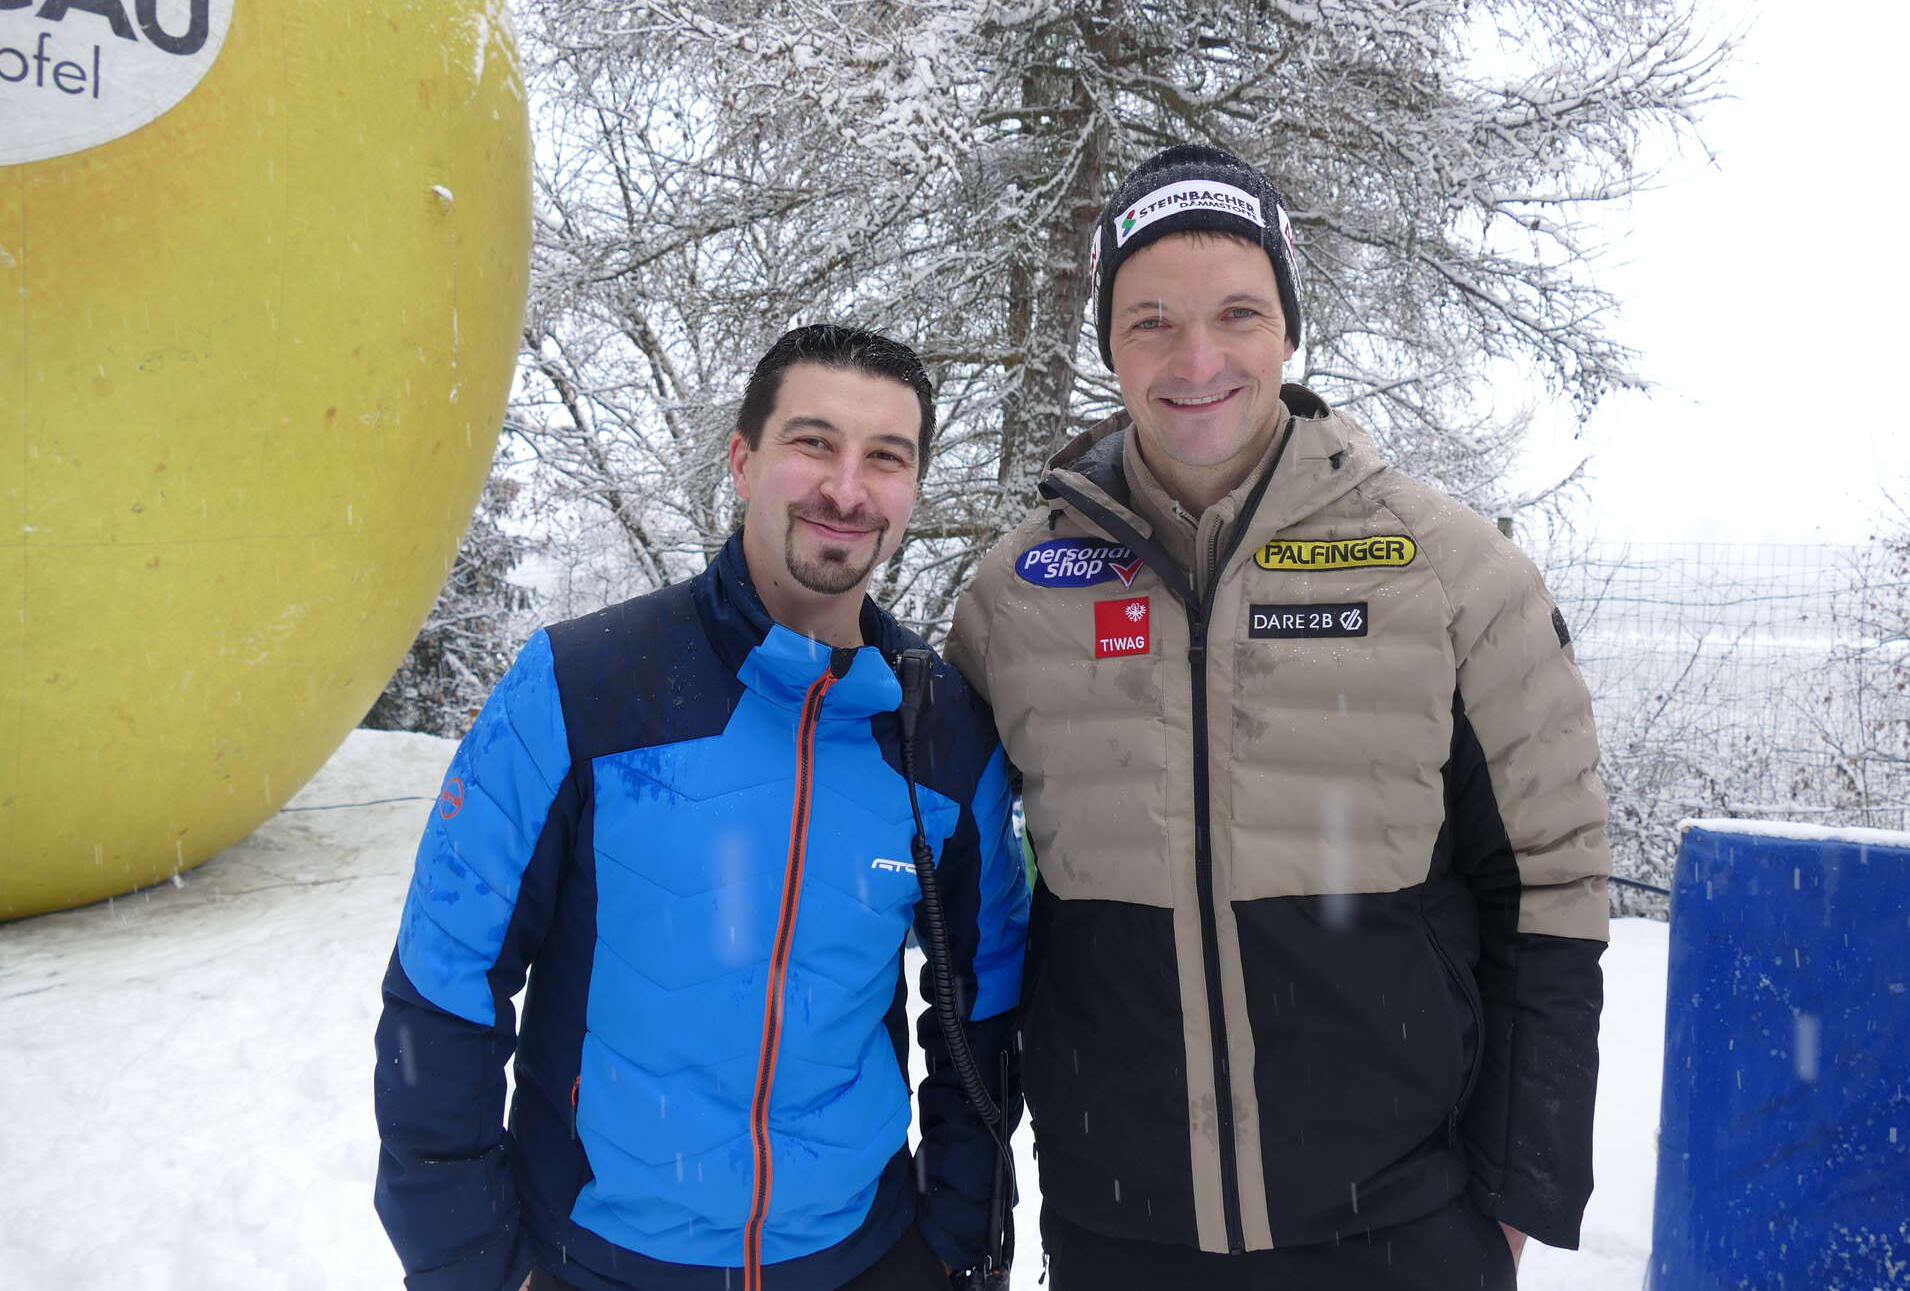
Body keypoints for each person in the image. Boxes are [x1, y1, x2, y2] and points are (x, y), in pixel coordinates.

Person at [946, 145, 1610, 1288]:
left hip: (1399, 1227)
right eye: (1150, 320)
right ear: (1108, 345)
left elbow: (1549, 878)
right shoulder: (1017, 595)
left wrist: (1513, 1192)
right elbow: (940, 875)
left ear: (1288, 330)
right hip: (1122, 1231)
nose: (1195, 359)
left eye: (1236, 314)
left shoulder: (1444, 571)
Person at [375, 324, 1029, 1291]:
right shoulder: (581, 687)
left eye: (886, 457)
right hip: (596, 1261)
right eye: (813, 442)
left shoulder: (942, 734)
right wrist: (469, 1264)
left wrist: (955, 1236)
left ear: (913, 489)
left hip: (863, 1256)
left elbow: (986, 1001)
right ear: (742, 459)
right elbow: (445, 986)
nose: (847, 489)